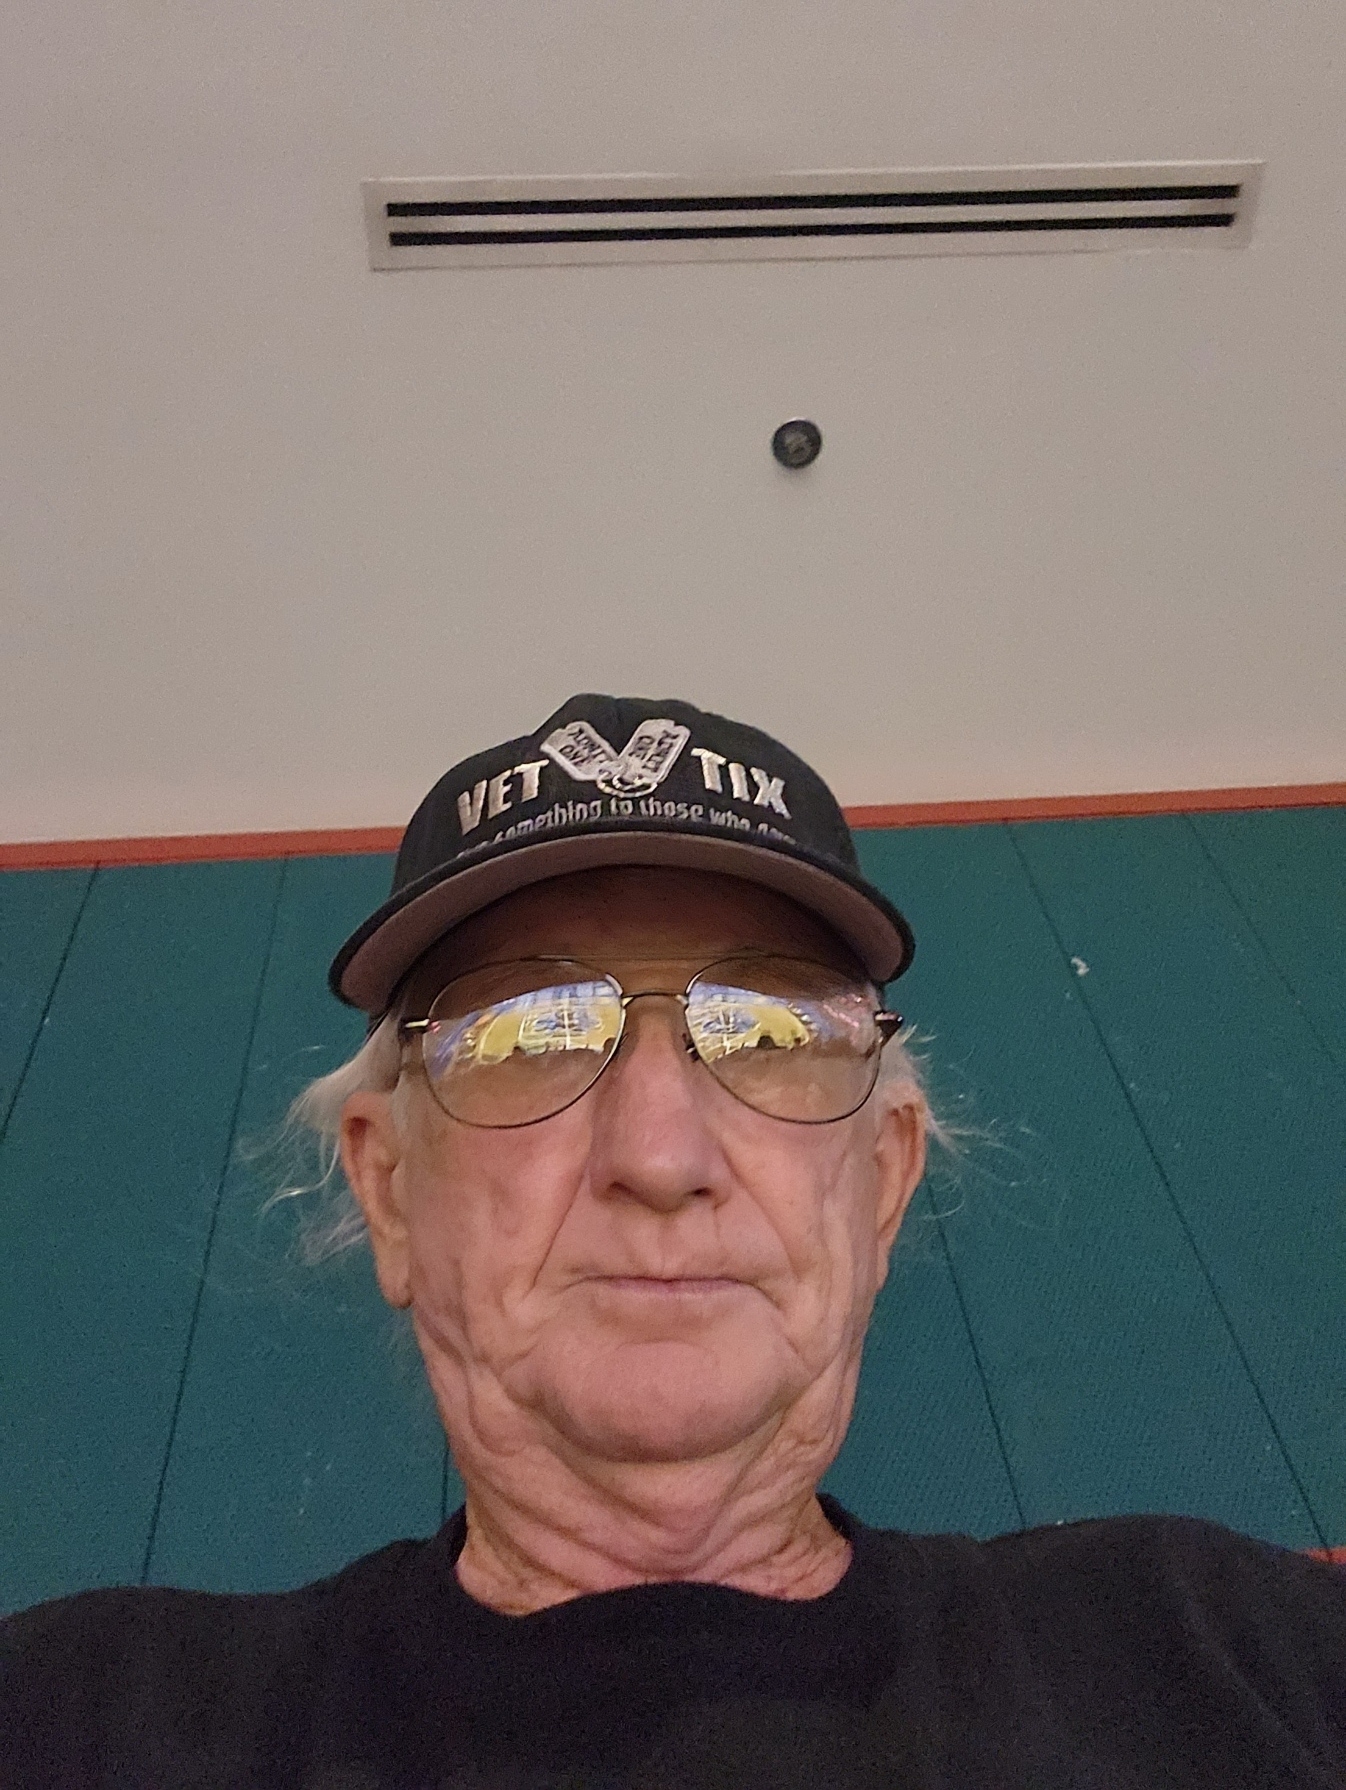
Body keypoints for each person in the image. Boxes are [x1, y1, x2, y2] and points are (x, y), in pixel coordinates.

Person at [3, 692, 1344, 1788]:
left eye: (767, 1028)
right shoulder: (77, 1722)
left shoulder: (1233, 1653)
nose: (657, 1152)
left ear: (881, 1185)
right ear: (390, 1192)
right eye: (529, 1031)